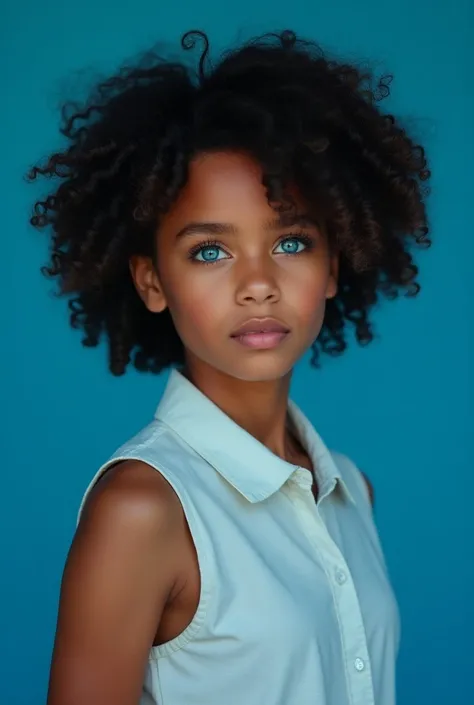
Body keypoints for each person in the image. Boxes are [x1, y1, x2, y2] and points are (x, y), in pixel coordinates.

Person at [27, 29, 430, 705]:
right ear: (152, 282)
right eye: (210, 251)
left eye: (292, 241)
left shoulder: (351, 492)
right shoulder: (143, 509)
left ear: (334, 263)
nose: (258, 283)